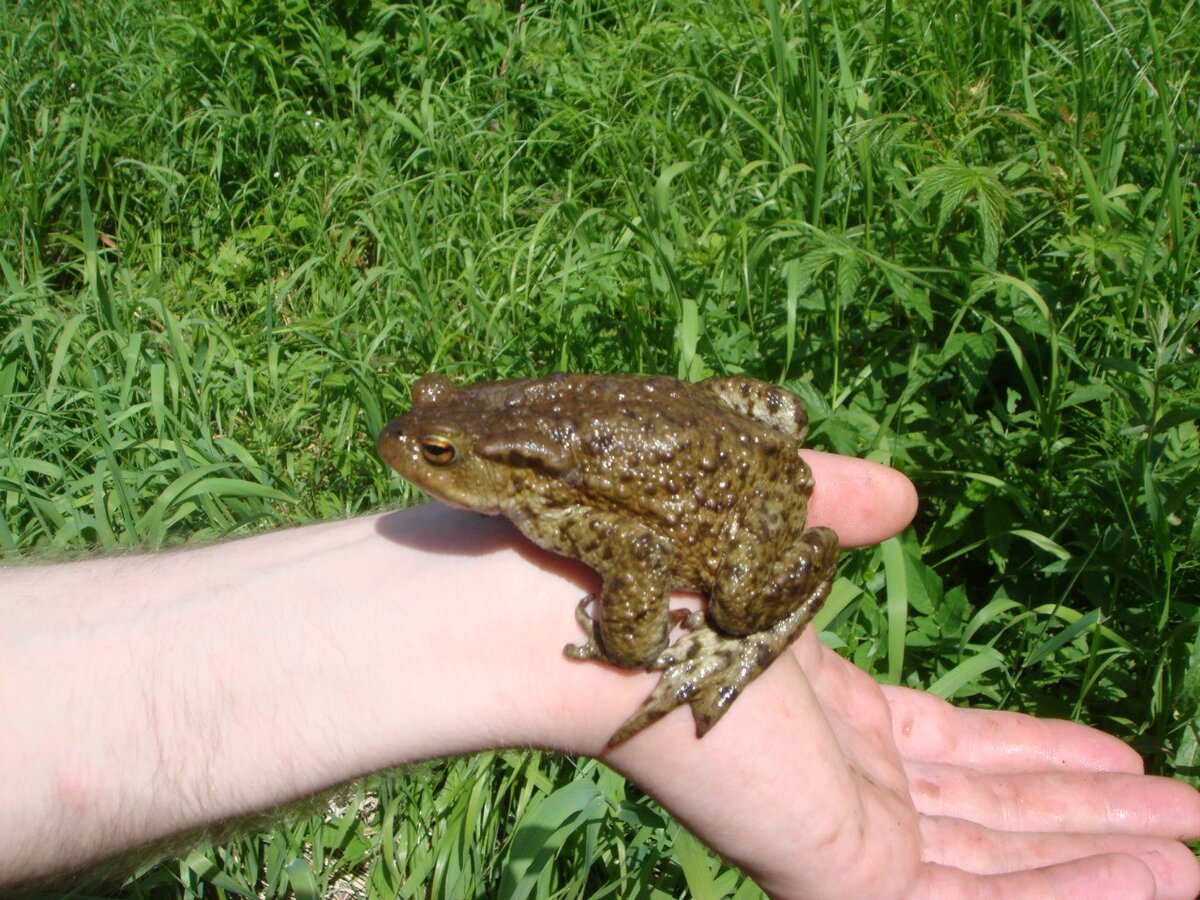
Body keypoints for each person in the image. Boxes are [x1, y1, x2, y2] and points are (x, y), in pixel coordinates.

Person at [2, 452, 1198, 898]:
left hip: (722, 497)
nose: (412, 460)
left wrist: (649, 647)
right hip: (700, 443)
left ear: (495, 467)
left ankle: (742, 633)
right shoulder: (524, 479)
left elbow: (631, 563)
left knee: (736, 586)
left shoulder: (555, 499)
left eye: (441, 452)